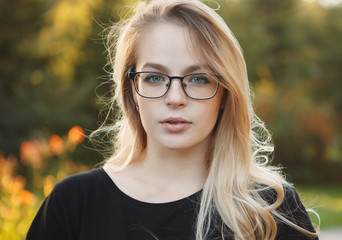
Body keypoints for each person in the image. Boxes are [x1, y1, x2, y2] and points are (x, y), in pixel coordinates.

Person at [27, 0, 319, 239]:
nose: (175, 97)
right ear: (132, 91)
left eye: (198, 79)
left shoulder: (269, 209)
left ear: (226, 94)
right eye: (155, 77)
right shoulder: (74, 203)